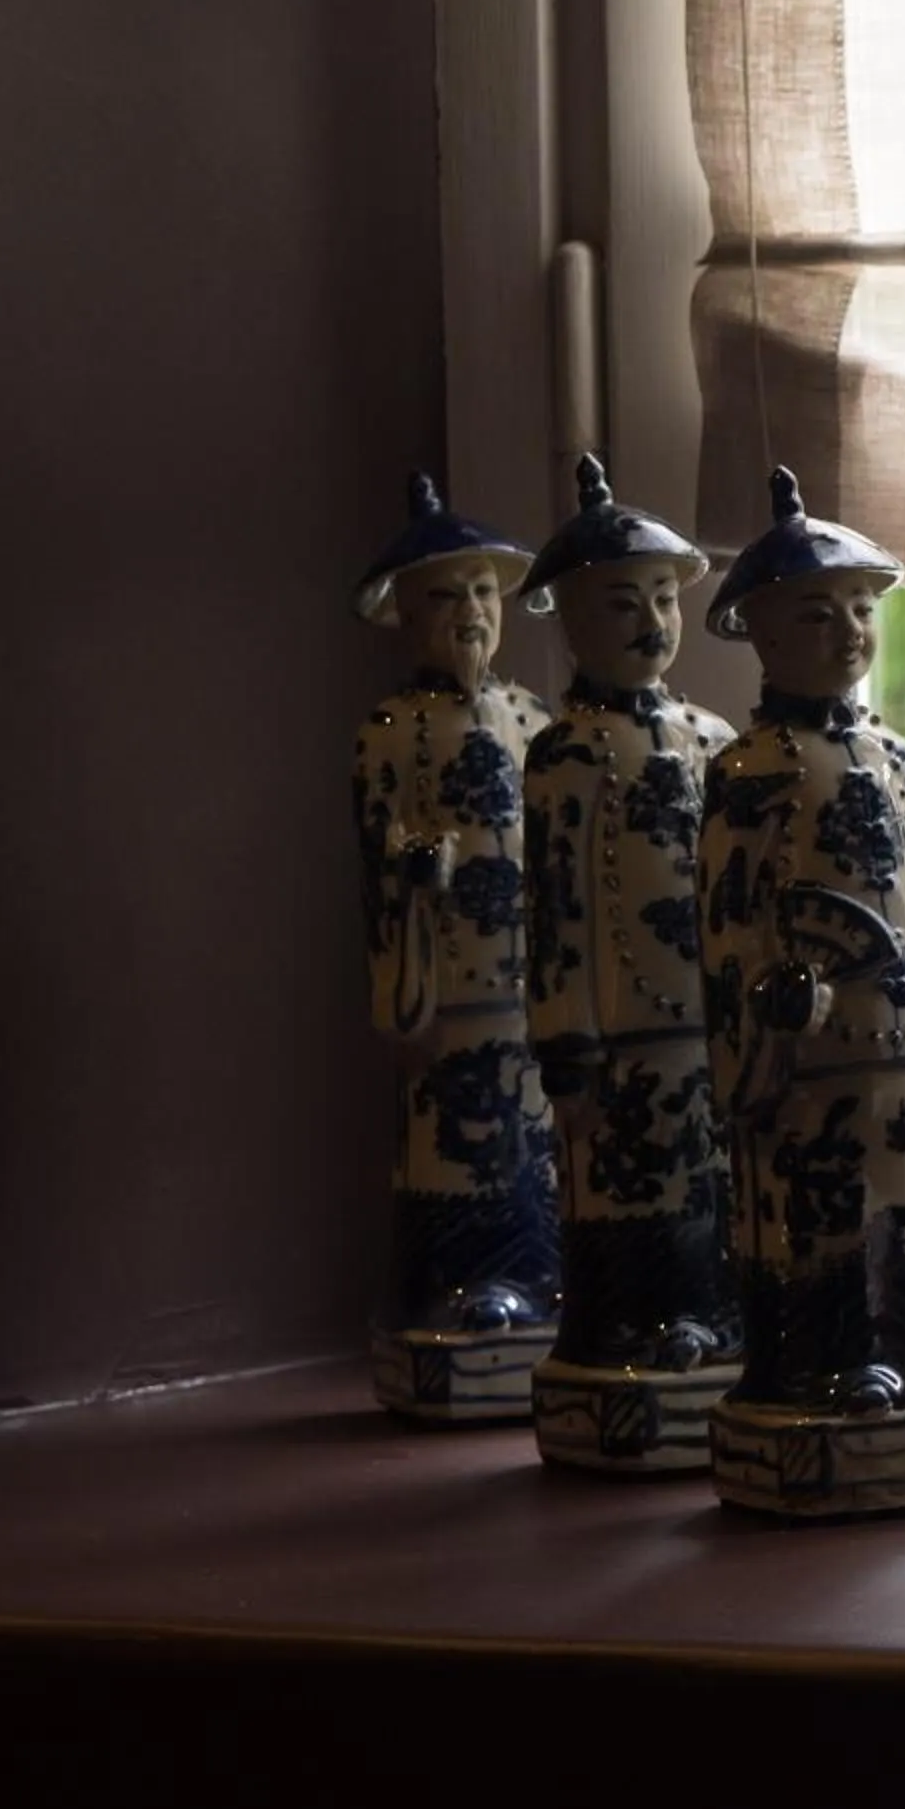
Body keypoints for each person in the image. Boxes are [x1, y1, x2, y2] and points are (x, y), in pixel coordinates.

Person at [699, 467, 905, 1449]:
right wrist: (766, 997)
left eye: (861, 611)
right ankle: (834, 1357)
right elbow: (726, 913)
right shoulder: (745, 775)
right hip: (813, 1041)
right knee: (827, 1203)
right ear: (766, 631)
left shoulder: (899, 760)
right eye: (821, 615)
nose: (850, 633)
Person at [517, 455, 740, 1467]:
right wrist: (567, 1036)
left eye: (662, 597)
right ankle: (624, 1333)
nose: (652, 621)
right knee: (622, 1184)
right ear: (570, 617)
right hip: (619, 1023)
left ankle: (710, 1321)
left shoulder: (713, 741)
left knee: (708, 1180)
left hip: (708, 1017)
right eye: (621, 602)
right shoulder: (567, 754)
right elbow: (557, 903)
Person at [349, 473, 561, 1420]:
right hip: (450, 976)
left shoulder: (534, 723)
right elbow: (380, 843)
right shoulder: (390, 735)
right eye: (446, 596)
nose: (471, 613)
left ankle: (548, 1285)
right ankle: (453, 1293)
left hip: (535, 977)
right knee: (453, 1144)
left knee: (539, 1137)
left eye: (483, 593)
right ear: (404, 615)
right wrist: (413, 866)